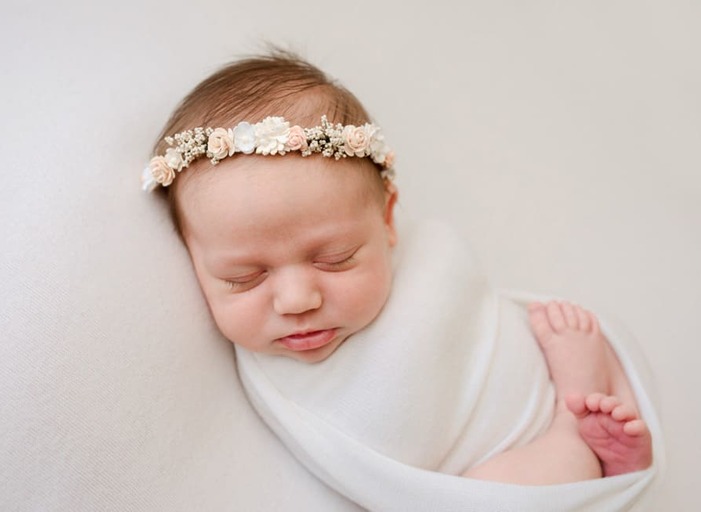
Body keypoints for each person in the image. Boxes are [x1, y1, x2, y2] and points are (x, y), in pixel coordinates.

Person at [142, 50, 652, 486]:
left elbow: (472, 320)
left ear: (388, 220)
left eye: (336, 259)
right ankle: (581, 441)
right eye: (244, 277)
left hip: (525, 381)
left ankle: (578, 406)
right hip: (512, 455)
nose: (298, 300)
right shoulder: (264, 388)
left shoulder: (425, 264)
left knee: (549, 340)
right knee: (492, 490)